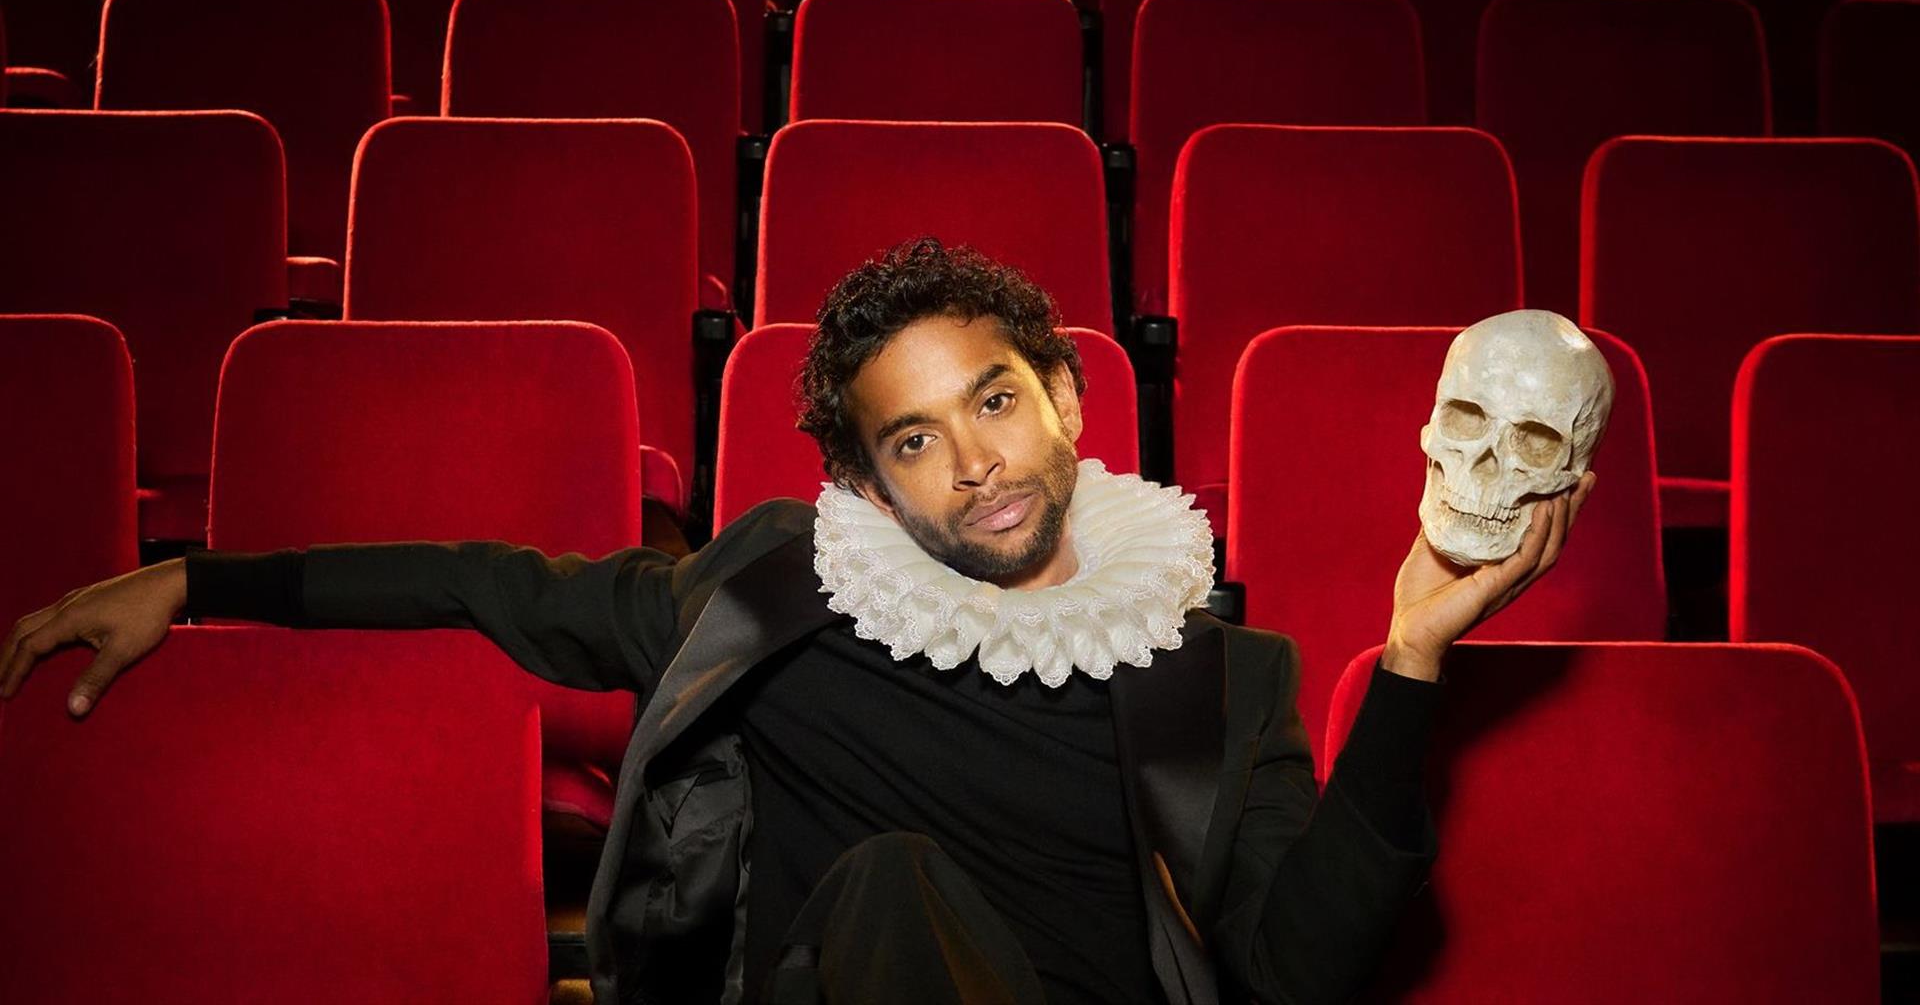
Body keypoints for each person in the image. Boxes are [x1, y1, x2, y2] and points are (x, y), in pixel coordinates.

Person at [1, 238, 1594, 1005]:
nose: (973, 462)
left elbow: (1296, 976)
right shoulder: (782, 593)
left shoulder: (1208, 671)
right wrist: (203, 580)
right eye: (914, 439)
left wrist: (1411, 662)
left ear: (1070, 398)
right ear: (866, 483)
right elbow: (498, 587)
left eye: (993, 400)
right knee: (895, 891)